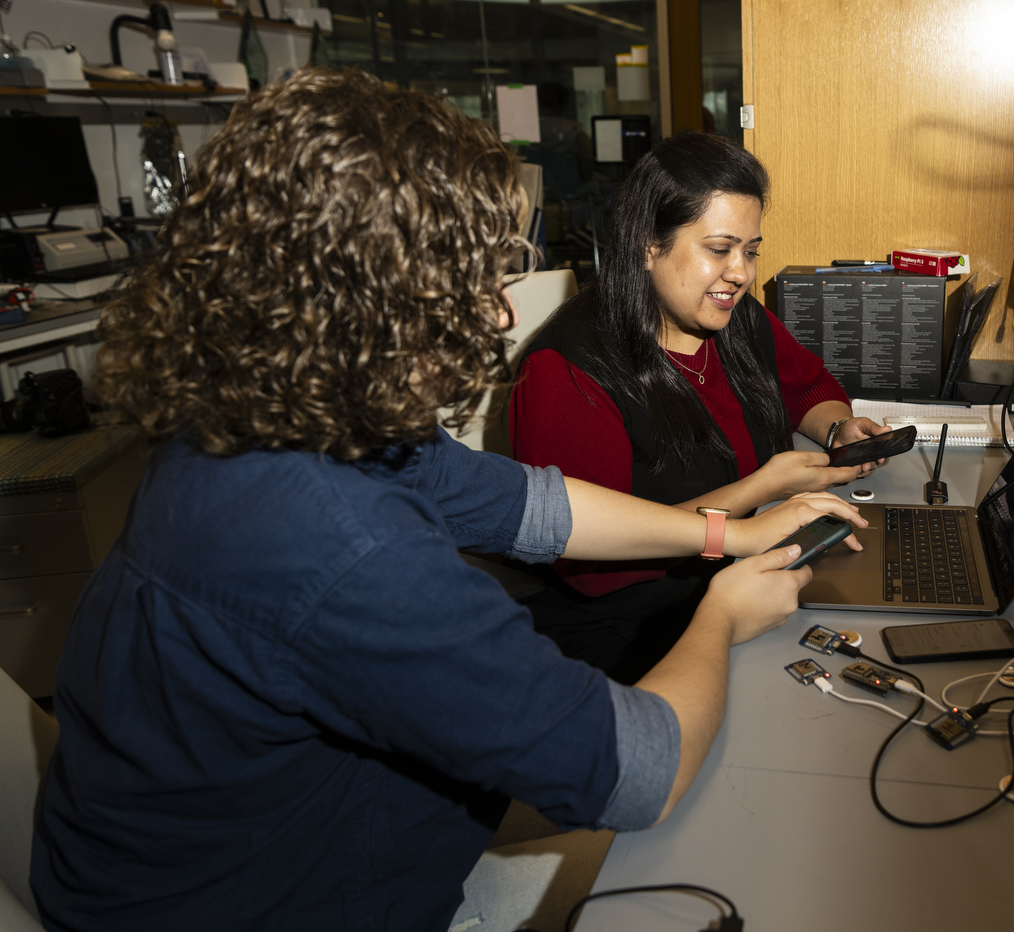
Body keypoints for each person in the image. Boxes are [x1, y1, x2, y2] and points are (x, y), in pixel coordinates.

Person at [28, 69, 865, 932]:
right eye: (472, 277)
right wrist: (724, 615)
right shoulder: (344, 548)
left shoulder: (270, 423)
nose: (500, 315)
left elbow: (538, 509)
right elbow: (641, 770)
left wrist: (731, 536)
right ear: (373, 294)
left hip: (276, 869)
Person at [509, 132, 889, 681]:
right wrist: (762, 488)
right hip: (636, 631)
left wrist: (838, 428)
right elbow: (588, 564)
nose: (741, 273)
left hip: (744, 579)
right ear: (647, 243)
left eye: (751, 250)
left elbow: (805, 388)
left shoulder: (733, 315)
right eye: (719, 249)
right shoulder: (566, 372)